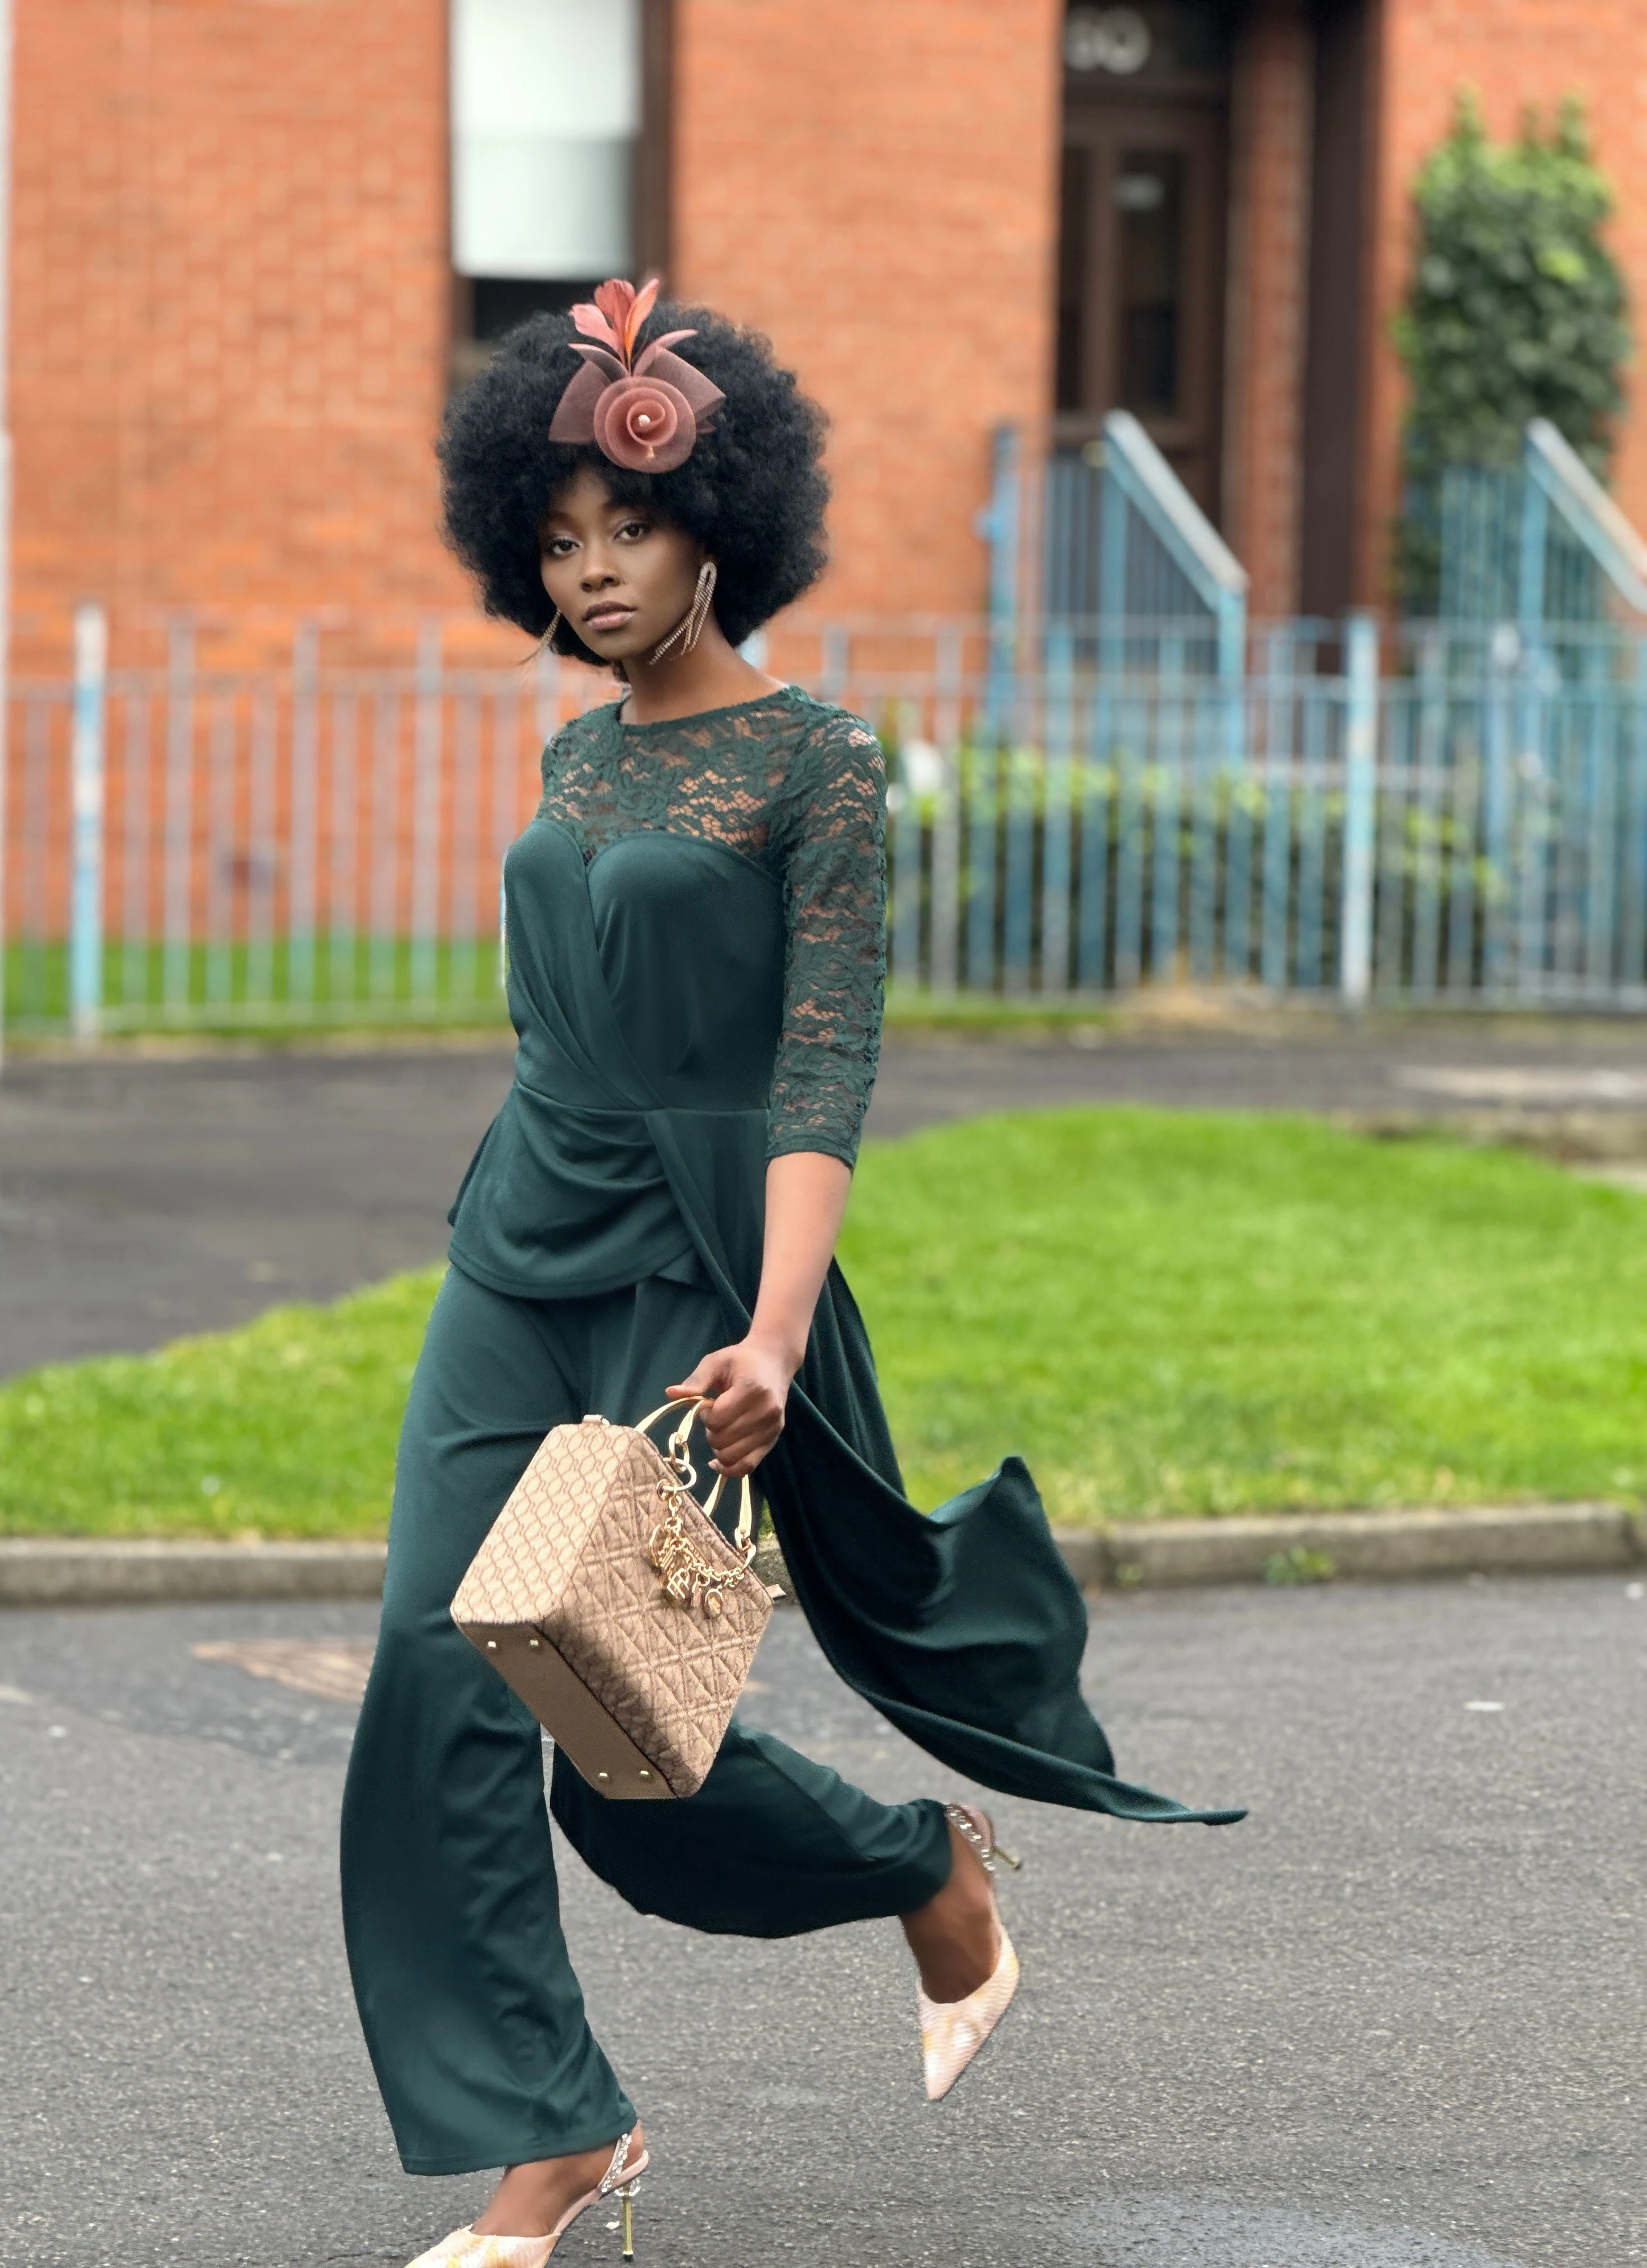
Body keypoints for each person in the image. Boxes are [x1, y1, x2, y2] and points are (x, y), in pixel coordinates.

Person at [340, 279, 1242, 2268]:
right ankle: (553, 2132)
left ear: (718, 524)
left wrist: (772, 1325)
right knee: (432, 1665)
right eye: (559, 540)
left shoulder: (820, 764)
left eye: (628, 531)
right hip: (519, 1244)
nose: (590, 572)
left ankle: (925, 1861)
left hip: (698, 1253)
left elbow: (825, 1058)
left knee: (609, 1720)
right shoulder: (580, 765)